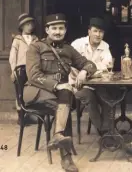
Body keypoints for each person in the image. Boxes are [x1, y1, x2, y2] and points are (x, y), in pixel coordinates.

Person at [23, 13, 97, 172]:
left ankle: (58, 135)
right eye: (54, 28)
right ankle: (66, 158)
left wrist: (84, 71)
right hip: (36, 91)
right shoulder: (36, 47)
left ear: (65, 30)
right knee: (64, 105)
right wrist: (57, 85)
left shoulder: (68, 49)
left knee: (66, 96)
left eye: (61, 28)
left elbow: (90, 64)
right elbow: (33, 76)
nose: (58, 32)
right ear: (47, 30)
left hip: (59, 94)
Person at [69, 17, 112, 134]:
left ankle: (108, 130)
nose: (98, 35)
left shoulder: (105, 46)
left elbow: (106, 66)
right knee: (90, 98)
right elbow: (71, 67)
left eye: (101, 32)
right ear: (89, 31)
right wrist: (93, 70)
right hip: (77, 85)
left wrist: (86, 71)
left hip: (97, 85)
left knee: (108, 99)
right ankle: (103, 131)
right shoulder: (77, 44)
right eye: (95, 31)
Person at [9, 13, 38, 125]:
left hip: (33, 69)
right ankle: (21, 117)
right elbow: (12, 57)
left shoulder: (35, 39)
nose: (30, 26)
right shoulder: (17, 40)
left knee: (30, 91)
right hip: (20, 70)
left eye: (31, 24)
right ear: (22, 26)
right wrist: (13, 71)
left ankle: (30, 115)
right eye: (27, 24)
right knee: (20, 93)